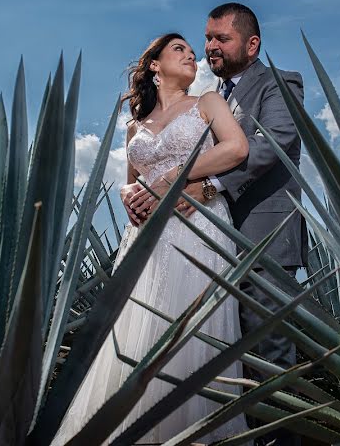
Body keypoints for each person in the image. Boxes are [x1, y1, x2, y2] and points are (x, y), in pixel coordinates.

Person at [53, 33, 250, 445]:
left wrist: (170, 179)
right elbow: (131, 183)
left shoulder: (207, 103)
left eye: (193, 53)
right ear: (155, 66)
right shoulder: (133, 128)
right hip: (145, 239)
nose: (192, 56)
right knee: (137, 331)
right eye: (179, 50)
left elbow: (235, 149)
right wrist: (129, 196)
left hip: (200, 228)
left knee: (192, 331)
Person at [136, 4, 307, 446]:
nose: (210, 46)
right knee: (222, 356)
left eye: (221, 39)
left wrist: (210, 186)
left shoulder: (278, 83)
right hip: (208, 248)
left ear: (251, 45)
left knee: (268, 357)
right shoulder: (206, 99)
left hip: (263, 241)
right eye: (207, 38)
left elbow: (274, 144)